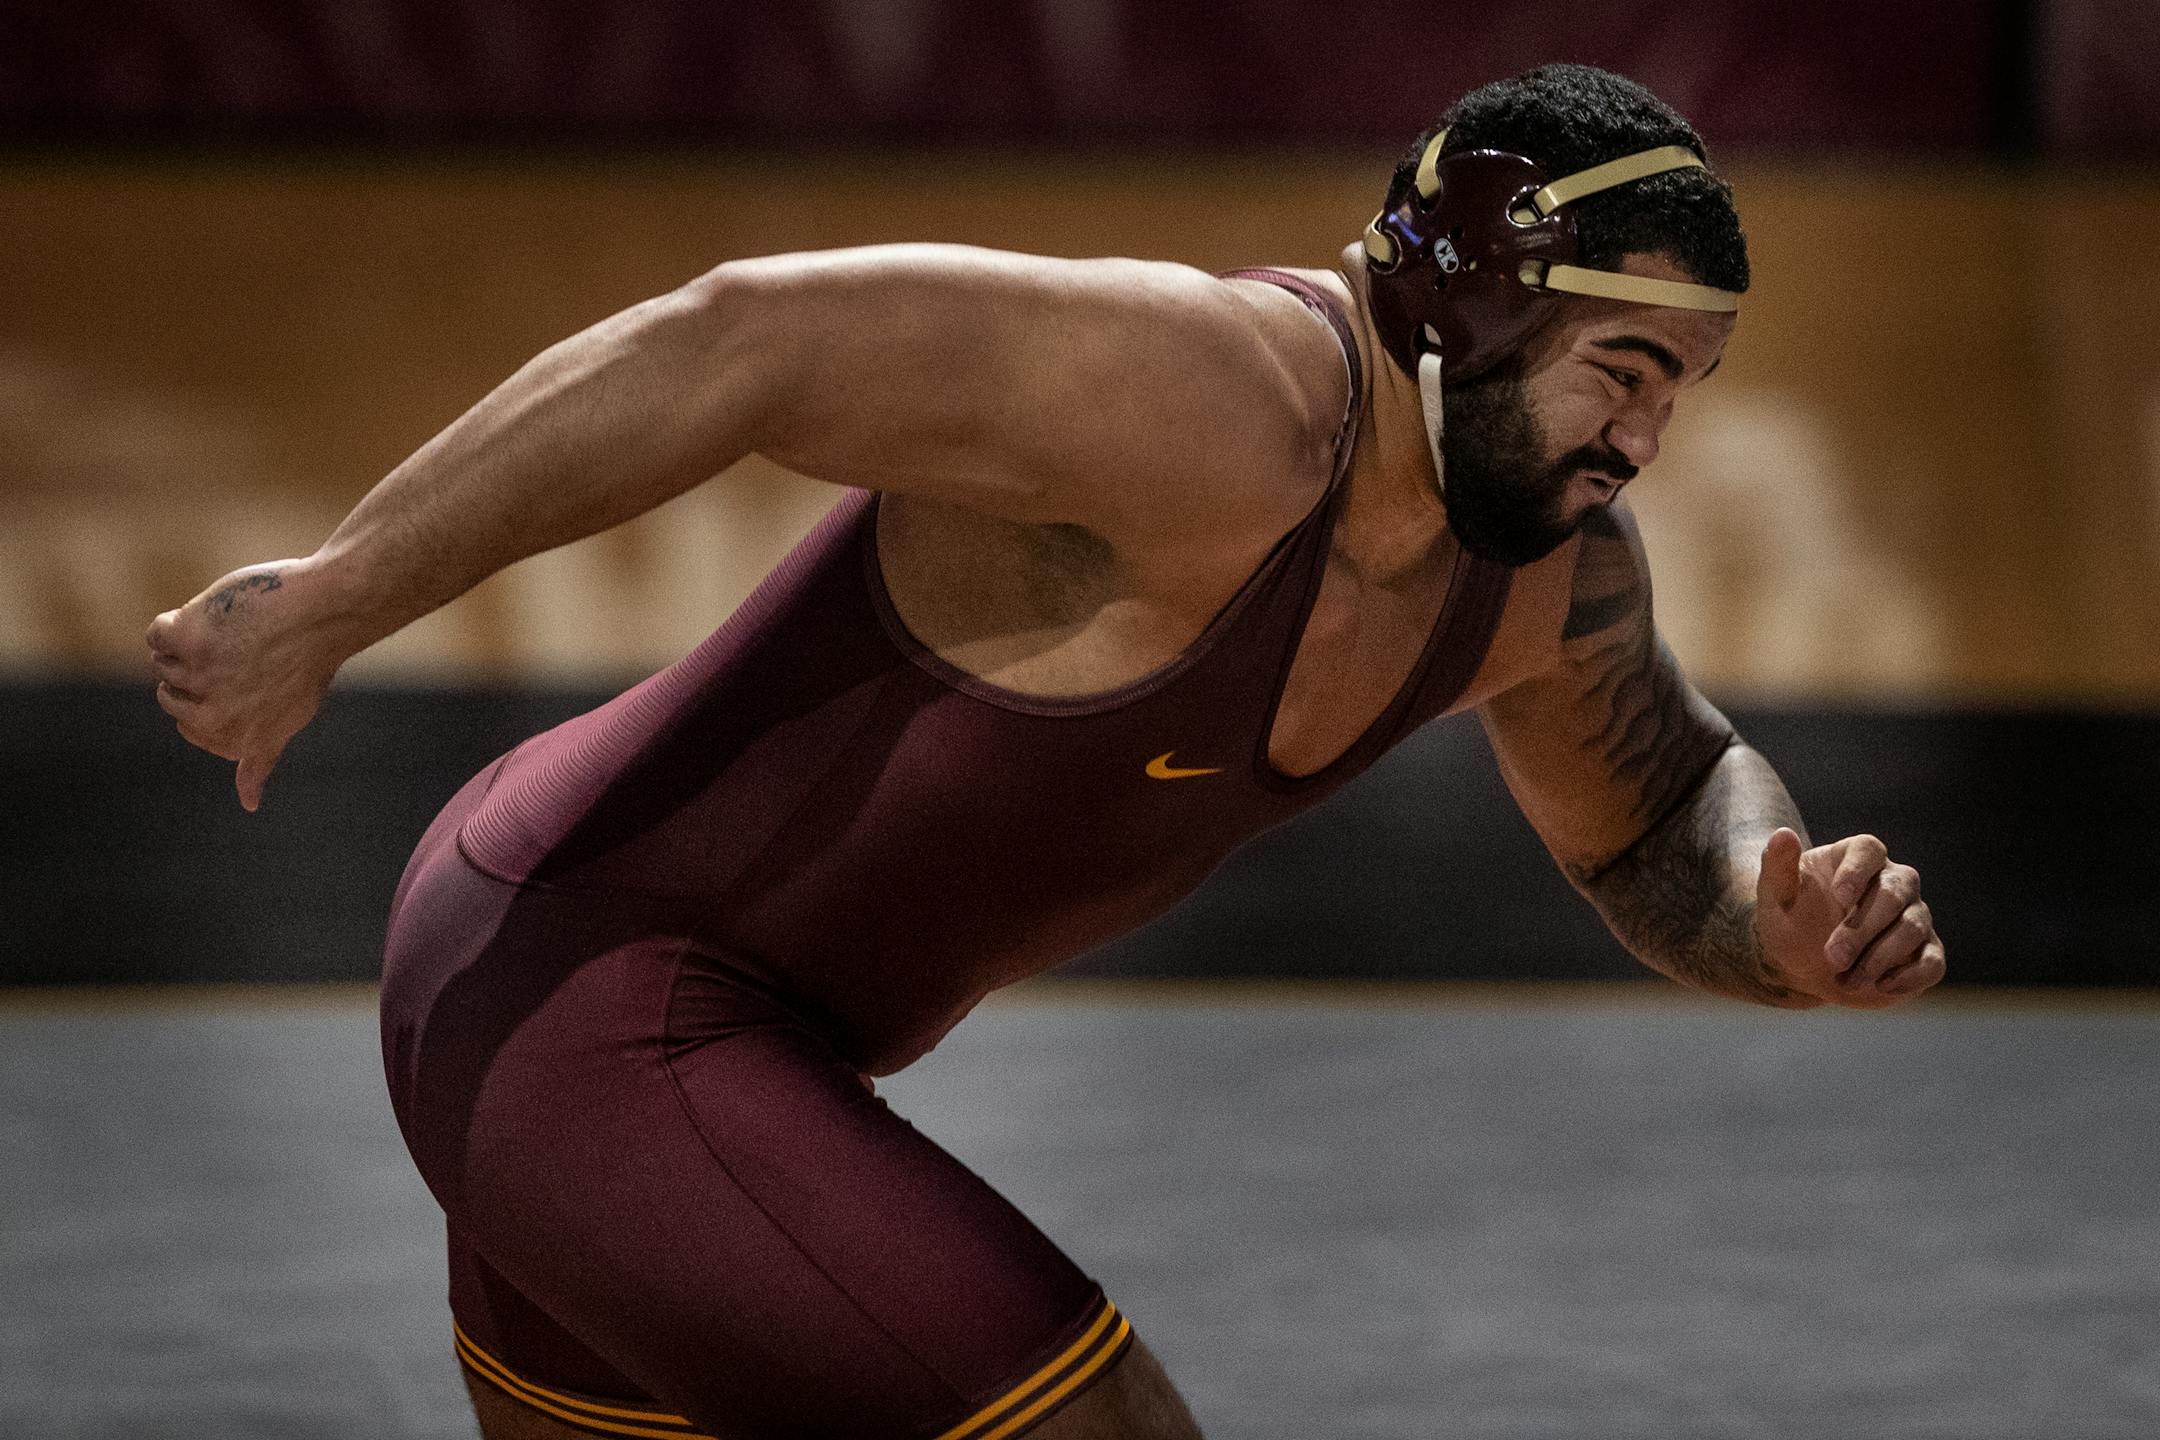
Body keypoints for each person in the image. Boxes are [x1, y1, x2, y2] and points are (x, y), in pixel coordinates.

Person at [145, 63, 1945, 1440]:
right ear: (1468, 306)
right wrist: (330, 599)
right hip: (578, 998)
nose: (1643, 436)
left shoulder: (1549, 581)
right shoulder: (1208, 404)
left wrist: (1775, 916)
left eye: (1677, 390)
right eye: (1619, 367)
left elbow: (1660, 815)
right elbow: (743, 339)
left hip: (705, 1061)